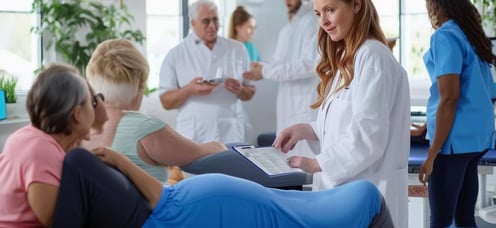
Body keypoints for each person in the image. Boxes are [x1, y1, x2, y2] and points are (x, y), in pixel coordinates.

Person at [272, 0, 410, 228]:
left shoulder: (373, 56)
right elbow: (344, 124)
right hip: (346, 191)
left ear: (356, 5)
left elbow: (369, 136)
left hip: (369, 189)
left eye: (330, 10)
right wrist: (305, 130)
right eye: (317, 13)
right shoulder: (348, 59)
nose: (323, 21)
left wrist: (317, 163)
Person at [51, 147, 395, 228]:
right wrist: (122, 162)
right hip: (353, 205)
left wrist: (120, 163)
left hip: (354, 203)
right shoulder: (159, 214)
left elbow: (161, 198)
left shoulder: (155, 207)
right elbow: (161, 202)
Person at [81, 38, 227, 183]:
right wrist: (220, 146)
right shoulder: (143, 128)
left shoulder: (78, 128)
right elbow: (201, 152)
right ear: (139, 88)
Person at [416, 0, 496, 228]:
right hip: (477, 139)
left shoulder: (445, 36)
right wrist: (428, 126)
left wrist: (432, 153)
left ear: (434, 2)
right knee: (464, 218)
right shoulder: (471, 35)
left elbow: (449, 97)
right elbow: (486, 94)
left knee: (440, 221)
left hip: (453, 144)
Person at [0, 63, 108, 227]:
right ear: (77, 115)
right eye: (91, 103)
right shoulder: (42, 151)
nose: (95, 107)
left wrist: (81, 133)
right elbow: (58, 221)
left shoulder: (26, 135)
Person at [159, 0, 255, 144]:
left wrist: (240, 89)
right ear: (193, 23)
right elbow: (166, 102)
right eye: (206, 21)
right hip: (194, 135)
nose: (212, 26)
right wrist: (188, 90)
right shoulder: (176, 55)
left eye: (215, 20)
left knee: (231, 166)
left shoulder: (237, 49)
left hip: (230, 132)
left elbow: (250, 91)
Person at [243, 0, 319, 157]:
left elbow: (309, 65)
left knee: (306, 160)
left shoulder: (313, 23)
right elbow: (279, 64)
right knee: (287, 158)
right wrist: (260, 69)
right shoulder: (287, 29)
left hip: (305, 103)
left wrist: (266, 70)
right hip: (287, 104)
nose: (287, 1)